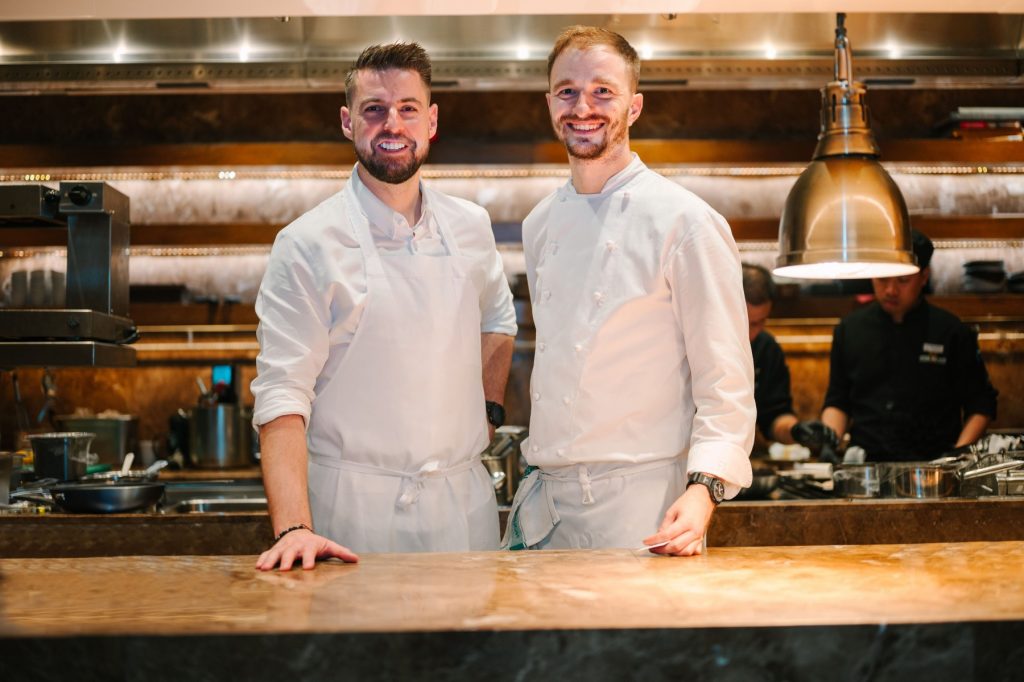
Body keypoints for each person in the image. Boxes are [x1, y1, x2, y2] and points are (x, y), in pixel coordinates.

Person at [251, 42, 517, 570]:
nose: (391, 123)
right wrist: (295, 527)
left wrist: (487, 413)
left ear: (431, 121)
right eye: (374, 109)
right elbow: (282, 392)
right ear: (348, 122)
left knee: (470, 652)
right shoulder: (307, 243)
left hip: (463, 508)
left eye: (407, 108)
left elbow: (498, 320)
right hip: (351, 514)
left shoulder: (471, 225)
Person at [505, 26, 755, 556]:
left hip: (641, 506)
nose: (583, 107)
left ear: (634, 106)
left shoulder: (685, 221)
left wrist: (705, 489)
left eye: (603, 91)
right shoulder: (540, 223)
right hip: (545, 502)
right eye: (568, 91)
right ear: (550, 103)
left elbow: (726, 377)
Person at [821, 230, 998, 461]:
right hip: (866, 469)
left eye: (903, 280)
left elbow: (981, 405)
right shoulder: (849, 329)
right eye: (883, 279)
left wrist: (956, 456)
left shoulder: (951, 330)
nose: (891, 290)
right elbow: (838, 402)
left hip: (935, 467)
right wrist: (829, 441)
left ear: (924, 277)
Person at [743, 263, 839, 454]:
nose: (752, 333)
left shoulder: (766, 348)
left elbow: (774, 416)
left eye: (760, 322)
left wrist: (796, 431)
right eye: (746, 322)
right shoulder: (693, 342)